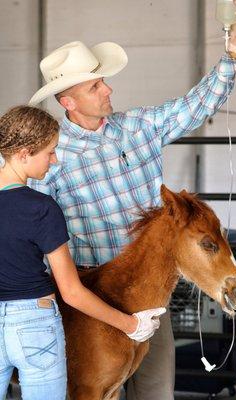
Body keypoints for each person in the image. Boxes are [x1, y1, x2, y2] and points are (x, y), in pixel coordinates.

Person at [28, 1, 236, 399]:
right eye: (95, 86)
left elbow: (195, 105)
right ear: (68, 101)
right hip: (90, 294)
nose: (108, 89)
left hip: (149, 295)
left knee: (155, 392)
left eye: (103, 81)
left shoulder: (137, 127)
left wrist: (232, 50)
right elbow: (32, 229)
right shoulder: (51, 156)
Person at [0, 105, 166, 400]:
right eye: (49, 152)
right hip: (34, 324)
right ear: (24, 154)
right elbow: (72, 292)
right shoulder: (41, 208)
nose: (54, 160)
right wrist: (132, 324)